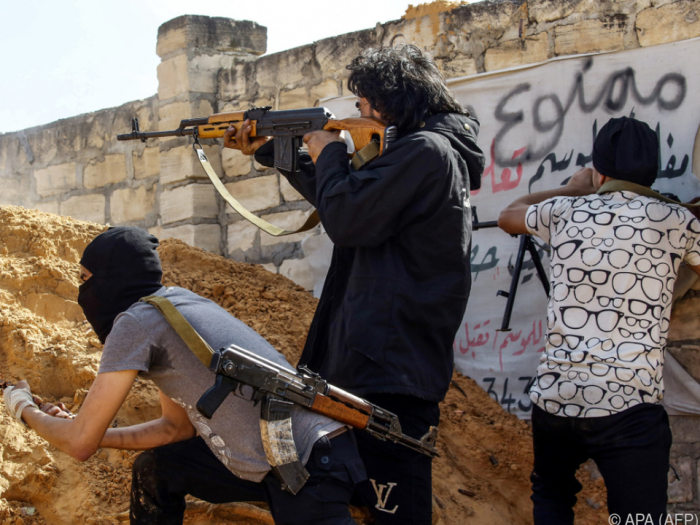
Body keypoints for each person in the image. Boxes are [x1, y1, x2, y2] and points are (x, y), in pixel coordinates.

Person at [225, 45, 485, 524]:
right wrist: (272, 152)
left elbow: (345, 217)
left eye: (364, 107)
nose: (359, 115)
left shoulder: (425, 151)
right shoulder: (424, 155)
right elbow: (352, 201)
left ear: (388, 103)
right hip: (384, 363)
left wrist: (327, 150)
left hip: (386, 369)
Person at [2, 227, 366, 525]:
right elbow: (174, 429)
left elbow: (79, 445)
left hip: (306, 463)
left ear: (112, 279)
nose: (81, 290)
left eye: (85, 279)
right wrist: (89, 431)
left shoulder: (135, 322)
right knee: (162, 467)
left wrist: (22, 408)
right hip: (289, 460)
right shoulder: (175, 305)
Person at [498, 116, 700, 524]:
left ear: (599, 170)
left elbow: (509, 214)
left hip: (556, 400)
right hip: (629, 407)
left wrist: (572, 188)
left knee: (552, 495)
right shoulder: (677, 222)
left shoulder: (563, 211)